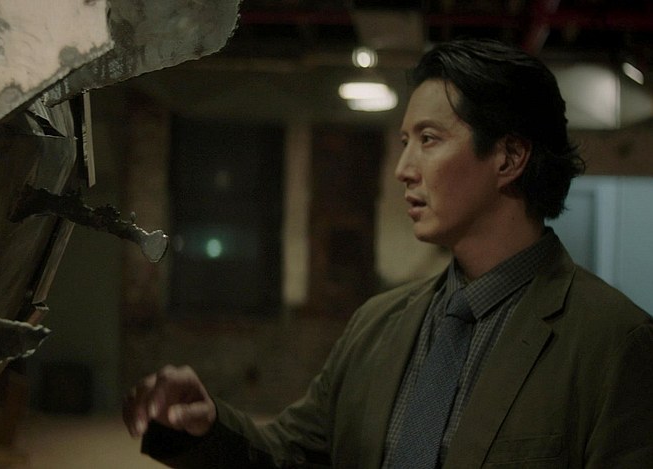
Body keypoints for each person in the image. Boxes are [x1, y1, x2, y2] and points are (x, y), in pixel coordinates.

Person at [122, 38, 653, 468]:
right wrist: (206, 425)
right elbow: (293, 455)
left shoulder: (615, 345)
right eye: (404, 142)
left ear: (509, 156)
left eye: (429, 139)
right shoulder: (378, 324)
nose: (403, 169)